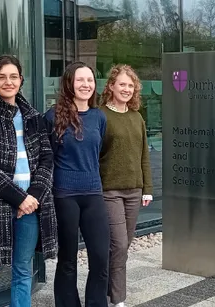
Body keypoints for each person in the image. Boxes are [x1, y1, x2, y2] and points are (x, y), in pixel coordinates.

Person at [0, 55, 57, 307]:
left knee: (23, 271)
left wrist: (33, 197)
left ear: (21, 80)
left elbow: (47, 161)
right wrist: (20, 198)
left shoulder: (34, 118)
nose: (8, 82)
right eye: (1, 77)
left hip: (31, 207)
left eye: (13, 76)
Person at [46, 62, 110, 307]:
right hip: (65, 195)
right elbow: (47, 157)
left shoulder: (98, 117)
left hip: (93, 193)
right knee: (67, 259)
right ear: (69, 84)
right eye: (80, 80)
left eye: (90, 80)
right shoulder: (52, 117)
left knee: (100, 257)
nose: (86, 85)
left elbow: (97, 152)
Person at [99, 64, 153, 307]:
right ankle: (117, 298)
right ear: (111, 86)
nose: (127, 89)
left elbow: (144, 156)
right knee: (118, 244)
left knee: (123, 245)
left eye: (131, 85)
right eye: (122, 84)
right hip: (109, 191)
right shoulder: (100, 116)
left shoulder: (137, 117)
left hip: (134, 191)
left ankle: (107, 289)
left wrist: (147, 188)